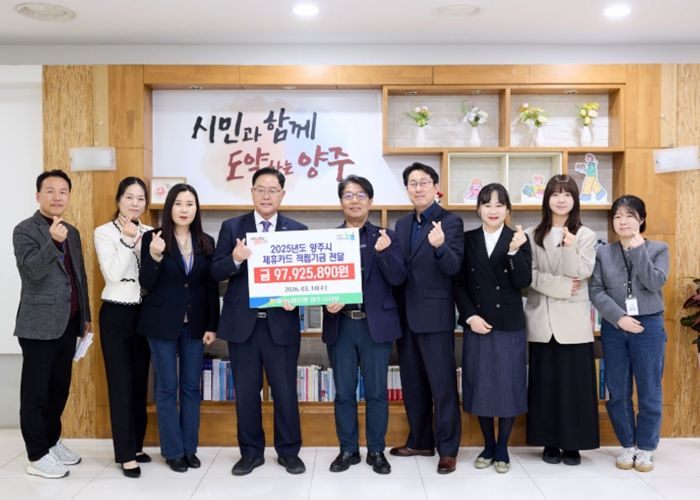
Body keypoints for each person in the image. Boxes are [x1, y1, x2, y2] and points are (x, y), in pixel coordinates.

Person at [211, 167, 308, 476]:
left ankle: (289, 452)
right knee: (246, 392)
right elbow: (216, 271)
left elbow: (306, 277)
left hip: (282, 323)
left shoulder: (298, 230)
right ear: (252, 192)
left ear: (282, 194)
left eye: (273, 190)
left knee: (285, 392)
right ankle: (250, 453)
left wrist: (298, 296)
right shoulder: (232, 227)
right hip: (244, 325)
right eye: (261, 189)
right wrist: (236, 258)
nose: (267, 195)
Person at [322, 175, 406, 475]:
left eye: (360, 195)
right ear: (341, 202)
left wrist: (384, 253)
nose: (354, 200)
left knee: (377, 392)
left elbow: (398, 278)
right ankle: (347, 449)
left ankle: (376, 450)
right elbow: (318, 283)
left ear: (370, 201)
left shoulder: (387, 237)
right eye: (348, 195)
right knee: (344, 392)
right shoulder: (328, 240)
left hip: (376, 326)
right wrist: (326, 302)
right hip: (341, 324)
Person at [13, 169, 91, 479]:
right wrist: (53, 243)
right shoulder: (25, 230)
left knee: (59, 390)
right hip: (38, 325)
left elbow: (79, 276)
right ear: (38, 195)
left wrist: (85, 316)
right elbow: (31, 272)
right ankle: (37, 455)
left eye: (63, 191)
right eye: (50, 191)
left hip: (68, 323)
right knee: (36, 394)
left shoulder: (72, 231)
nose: (57, 197)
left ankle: (51, 441)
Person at [137, 183, 219, 473]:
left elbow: (211, 287)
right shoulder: (153, 238)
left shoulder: (206, 242)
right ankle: (172, 451)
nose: (184, 209)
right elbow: (146, 283)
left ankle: (189, 448)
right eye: (178, 204)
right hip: (161, 324)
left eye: (190, 204)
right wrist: (155, 256)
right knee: (167, 387)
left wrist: (212, 325)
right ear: (169, 207)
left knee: (191, 388)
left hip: (195, 325)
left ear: (197, 209)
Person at [390, 162, 463, 474]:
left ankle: (448, 449)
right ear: (407, 189)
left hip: (435, 317)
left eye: (423, 182)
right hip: (405, 318)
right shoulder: (401, 224)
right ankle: (420, 441)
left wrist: (440, 247)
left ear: (435, 187)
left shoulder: (451, 222)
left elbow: (454, 267)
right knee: (413, 385)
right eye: (412, 183)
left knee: (442, 386)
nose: (418, 188)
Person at [455, 183, 531, 474]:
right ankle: (488, 445)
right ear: (478, 209)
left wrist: (513, 252)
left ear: (508, 210)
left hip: (509, 324)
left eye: (499, 205)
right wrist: (469, 316)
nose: (493, 210)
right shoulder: (468, 239)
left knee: (509, 386)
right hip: (478, 323)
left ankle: (502, 448)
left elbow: (523, 282)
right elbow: (459, 284)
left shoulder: (518, 238)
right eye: (487, 204)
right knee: (481, 386)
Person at [589, 195, 668, 473]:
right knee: (618, 390)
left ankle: (646, 447)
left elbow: (655, 282)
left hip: (649, 326)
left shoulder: (658, 249)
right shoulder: (604, 253)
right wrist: (619, 318)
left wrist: (638, 251)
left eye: (629, 216)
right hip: (615, 327)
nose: (622, 221)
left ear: (641, 219)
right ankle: (628, 444)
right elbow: (595, 290)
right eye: (618, 216)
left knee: (649, 388)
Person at [524, 175, 600, 466]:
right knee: (545, 387)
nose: (561, 199)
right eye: (555, 194)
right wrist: (561, 286)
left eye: (567, 194)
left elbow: (581, 273)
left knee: (574, 388)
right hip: (542, 321)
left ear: (574, 200)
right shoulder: (532, 234)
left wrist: (569, 247)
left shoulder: (586, 235)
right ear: (547, 199)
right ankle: (549, 443)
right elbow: (528, 276)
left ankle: (573, 444)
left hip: (573, 324)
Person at [94, 176, 153, 478]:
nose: (135, 203)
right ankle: (125, 454)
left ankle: (137, 445)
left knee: (140, 383)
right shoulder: (104, 232)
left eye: (140, 198)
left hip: (143, 313)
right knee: (120, 383)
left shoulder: (150, 232)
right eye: (129, 197)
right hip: (116, 312)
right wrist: (129, 241)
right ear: (118, 200)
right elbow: (114, 274)